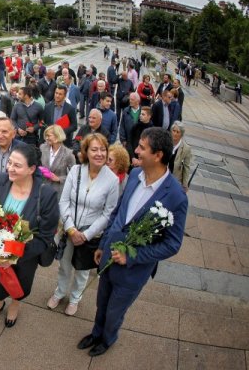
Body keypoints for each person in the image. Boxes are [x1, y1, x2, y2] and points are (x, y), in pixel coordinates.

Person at [78, 127, 188, 356]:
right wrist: (103, 244)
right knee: (101, 302)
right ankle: (96, 332)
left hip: (132, 270)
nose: (135, 150)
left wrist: (131, 255)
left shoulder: (176, 196)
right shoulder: (135, 175)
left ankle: (107, 339)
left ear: (158, 155)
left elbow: (172, 244)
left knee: (115, 309)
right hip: (109, 255)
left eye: (142, 147)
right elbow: (118, 213)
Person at [0, 144, 59, 327]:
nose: (10, 168)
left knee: (19, 284)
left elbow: (45, 236)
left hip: (25, 256)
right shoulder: (0, 180)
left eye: (17, 165)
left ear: (32, 169)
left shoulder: (45, 195)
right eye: (9, 163)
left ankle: (15, 305)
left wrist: (15, 254)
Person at [47, 133, 118, 316]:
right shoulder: (76, 171)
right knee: (64, 265)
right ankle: (60, 292)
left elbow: (108, 213)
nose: (99, 154)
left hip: (90, 234)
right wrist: (71, 229)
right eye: (94, 149)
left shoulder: (112, 180)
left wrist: (85, 235)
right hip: (68, 229)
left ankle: (75, 298)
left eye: (103, 149)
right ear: (86, 151)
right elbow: (64, 202)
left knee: (82, 269)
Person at [39, 125, 75, 198]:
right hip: (42, 189)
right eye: (46, 136)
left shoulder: (68, 154)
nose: (46, 138)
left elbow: (75, 175)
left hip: (57, 192)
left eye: (49, 136)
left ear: (57, 136)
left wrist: (59, 179)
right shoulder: (42, 148)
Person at [170, 121, 192, 193]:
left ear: (181, 134)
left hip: (175, 179)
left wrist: (185, 185)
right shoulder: (165, 142)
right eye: (174, 131)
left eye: (178, 132)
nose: (175, 133)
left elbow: (186, 167)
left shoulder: (186, 148)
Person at [119, 93, 142, 160]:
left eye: (132, 100)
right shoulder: (126, 111)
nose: (130, 101)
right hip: (128, 142)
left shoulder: (142, 111)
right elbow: (122, 126)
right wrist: (123, 140)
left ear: (137, 101)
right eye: (130, 99)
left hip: (139, 142)